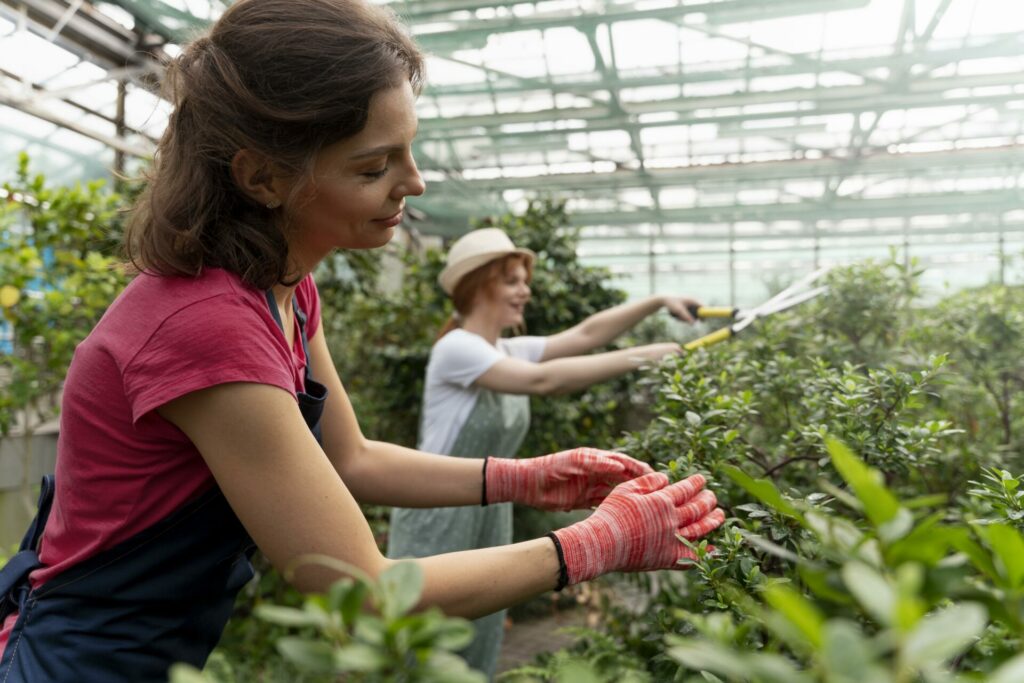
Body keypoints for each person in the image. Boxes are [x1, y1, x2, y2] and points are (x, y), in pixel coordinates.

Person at [0, 1, 724, 681]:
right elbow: (365, 590)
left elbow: (350, 458)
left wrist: (526, 476)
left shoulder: (282, 286)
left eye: (408, 152)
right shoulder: (204, 326)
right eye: (374, 166)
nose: (413, 182)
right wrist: (595, 544)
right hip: (78, 662)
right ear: (263, 177)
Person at [388, 228, 708, 676]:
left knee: (476, 636)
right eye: (513, 281)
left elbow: (586, 334)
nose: (526, 291)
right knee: (422, 638)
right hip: (438, 512)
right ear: (480, 284)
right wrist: (646, 357)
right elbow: (546, 380)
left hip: (486, 511)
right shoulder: (457, 349)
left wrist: (656, 301)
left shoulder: (505, 349)